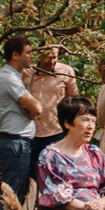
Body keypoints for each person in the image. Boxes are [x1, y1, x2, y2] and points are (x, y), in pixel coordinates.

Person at [0, 36, 47, 210]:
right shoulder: (8, 77)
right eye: (28, 52)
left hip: (19, 141)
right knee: (12, 197)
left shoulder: (14, 77)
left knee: (21, 194)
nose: (32, 56)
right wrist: (32, 110)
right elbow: (37, 108)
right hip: (14, 142)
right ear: (15, 55)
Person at [26, 41, 79, 172]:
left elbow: (74, 101)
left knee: (56, 172)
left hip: (56, 131)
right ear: (39, 55)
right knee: (32, 174)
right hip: (31, 132)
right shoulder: (27, 72)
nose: (52, 61)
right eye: (48, 57)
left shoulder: (66, 71)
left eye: (55, 57)